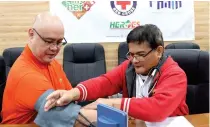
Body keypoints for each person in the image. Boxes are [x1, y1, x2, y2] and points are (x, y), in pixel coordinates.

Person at [44, 24, 189, 122]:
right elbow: (105, 82)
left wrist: (111, 103)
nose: (134, 60)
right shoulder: (129, 67)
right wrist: (72, 93)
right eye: (131, 54)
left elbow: (158, 109)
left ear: (159, 51)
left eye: (140, 54)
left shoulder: (175, 75)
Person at [1, 12, 97, 125]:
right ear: (31, 34)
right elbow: (73, 118)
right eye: (49, 41)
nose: (55, 48)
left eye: (59, 42)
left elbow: (71, 97)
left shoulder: (51, 62)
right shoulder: (26, 75)